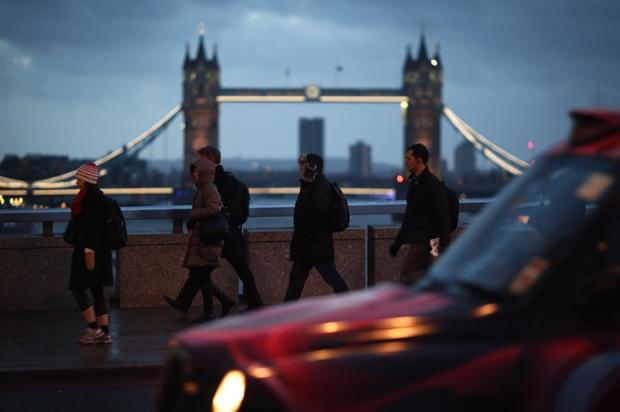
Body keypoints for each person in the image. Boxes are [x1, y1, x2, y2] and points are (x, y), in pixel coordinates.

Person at [164, 158, 235, 322]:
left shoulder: (209, 188)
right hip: (204, 238)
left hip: (209, 239)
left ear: (204, 172)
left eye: (196, 171)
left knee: (201, 275)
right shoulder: (203, 188)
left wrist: (192, 215)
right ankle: (219, 301)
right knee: (199, 274)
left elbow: (213, 208)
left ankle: (206, 310)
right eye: (193, 171)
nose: (193, 174)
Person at [198, 146, 264, 312]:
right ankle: (251, 300)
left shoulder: (218, 180)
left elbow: (216, 206)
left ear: (211, 160)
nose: (199, 163)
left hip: (224, 231)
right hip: (228, 230)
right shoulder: (222, 177)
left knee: (205, 268)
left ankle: (252, 301)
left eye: (202, 159)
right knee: (205, 269)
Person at [283, 153, 349, 301]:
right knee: (296, 280)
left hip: (315, 246)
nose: (300, 168)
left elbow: (318, 216)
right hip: (310, 246)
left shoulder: (318, 187)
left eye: (303, 165)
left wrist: (302, 236)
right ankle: (287, 312)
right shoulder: (312, 185)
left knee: (332, 278)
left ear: (312, 168)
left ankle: (352, 307)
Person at [389, 143, 452, 284]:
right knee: (429, 279)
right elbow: (410, 215)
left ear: (419, 160)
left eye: (408, 158)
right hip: (421, 239)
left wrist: (444, 245)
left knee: (407, 276)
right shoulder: (414, 183)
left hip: (423, 241)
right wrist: (398, 242)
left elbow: (442, 213)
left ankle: (409, 306)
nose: (405, 162)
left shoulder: (431, 183)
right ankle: (435, 303)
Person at [66, 162, 113, 344]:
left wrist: (89, 250)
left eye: (79, 179)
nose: (77, 182)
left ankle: (93, 328)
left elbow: (95, 227)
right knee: (97, 290)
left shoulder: (92, 199)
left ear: (86, 180)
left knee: (77, 287)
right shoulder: (90, 197)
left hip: (90, 252)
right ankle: (105, 333)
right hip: (97, 251)